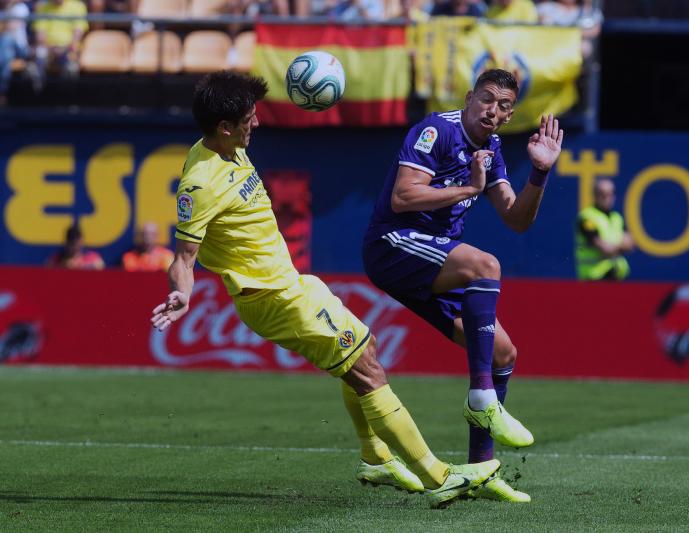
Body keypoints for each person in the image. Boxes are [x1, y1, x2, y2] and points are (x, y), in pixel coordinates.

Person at [149, 71, 502, 508]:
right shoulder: (200, 183)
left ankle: (375, 457)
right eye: (248, 118)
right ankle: (437, 476)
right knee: (367, 373)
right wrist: (183, 293)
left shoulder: (228, 149)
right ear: (224, 127)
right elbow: (184, 258)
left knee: (364, 351)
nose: (255, 123)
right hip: (272, 297)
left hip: (291, 284)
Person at [361, 69, 564, 503]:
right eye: (487, 99)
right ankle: (482, 398)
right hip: (392, 244)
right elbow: (403, 197)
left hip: (433, 258)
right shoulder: (437, 130)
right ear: (470, 98)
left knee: (504, 352)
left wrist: (540, 174)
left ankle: (480, 469)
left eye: (504, 105)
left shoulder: (491, 149)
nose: (494, 110)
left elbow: (516, 218)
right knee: (484, 264)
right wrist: (468, 186)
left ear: (511, 115)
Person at [574, 177, 634, 281]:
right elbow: (604, 248)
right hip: (594, 278)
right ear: (595, 195)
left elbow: (630, 244)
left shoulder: (617, 218)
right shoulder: (587, 218)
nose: (607, 197)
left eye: (611, 193)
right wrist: (621, 247)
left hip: (618, 276)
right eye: (602, 193)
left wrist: (614, 247)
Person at [32, 0, 88, 86]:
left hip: (69, 48)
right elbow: (40, 35)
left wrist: (64, 48)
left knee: (71, 67)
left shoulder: (78, 6)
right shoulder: (43, 7)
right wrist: (50, 47)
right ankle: (38, 90)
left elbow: (78, 33)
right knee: (40, 53)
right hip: (48, 48)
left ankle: (69, 90)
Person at [0, 0, 29, 106]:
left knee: (5, 42)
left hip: (19, 49)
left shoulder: (20, 7)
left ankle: (2, 93)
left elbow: (10, 27)